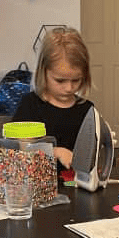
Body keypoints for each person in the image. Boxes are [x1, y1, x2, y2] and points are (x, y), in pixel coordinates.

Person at [12, 27, 93, 169]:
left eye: (76, 80)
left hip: (76, 181)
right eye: (60, 81)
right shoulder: (30, 105)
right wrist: (55, 152)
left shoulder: (87, 110)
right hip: (35, 181)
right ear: (43, 71)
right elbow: (19, 150)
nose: (69, 88)